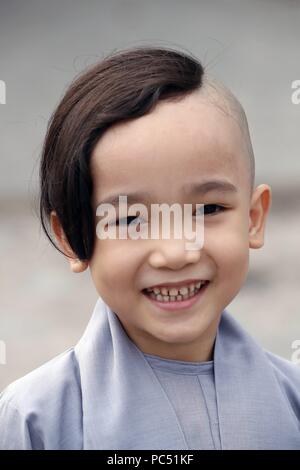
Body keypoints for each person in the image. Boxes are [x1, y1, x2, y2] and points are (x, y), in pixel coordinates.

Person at [0, 46, 299, 450]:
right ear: (72, 237)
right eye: (128, 219)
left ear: (254, 218)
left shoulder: (291, 403)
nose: (175, 252)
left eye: (208, 209)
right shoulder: (34, 421)